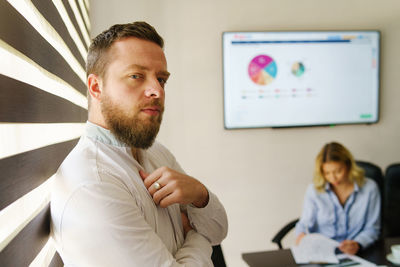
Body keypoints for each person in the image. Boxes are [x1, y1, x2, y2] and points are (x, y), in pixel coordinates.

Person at [51, 21, 228, 266]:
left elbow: (218, 231)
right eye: (136, 76)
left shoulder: (157, 153)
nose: (157, 89)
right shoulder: (92, 185)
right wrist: (197, 236)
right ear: (95, 87)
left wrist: (200, 195)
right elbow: (209, 235)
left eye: (161, 79)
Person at [295, 142, 380, 255]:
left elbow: (373, 228)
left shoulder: (370, 188)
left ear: (348, 165)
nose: (333, 177)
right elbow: (305, 223)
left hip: (357, 253)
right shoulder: (314, 190)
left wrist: (358, 244)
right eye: (327, 173)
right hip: (323, 254)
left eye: (338, 171)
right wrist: (301, 236)